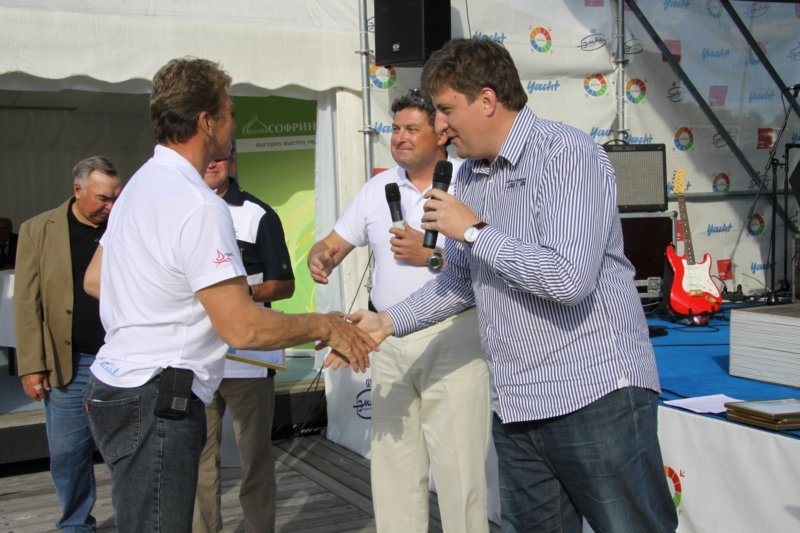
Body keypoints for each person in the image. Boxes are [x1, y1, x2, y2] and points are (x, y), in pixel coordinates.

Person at [339, 38, 679, 533]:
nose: (440, 126)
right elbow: (461, 281)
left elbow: (568, 278)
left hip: (594, 395)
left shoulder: (566, 155)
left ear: (487, 99)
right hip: (517, 403)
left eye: (446, 109)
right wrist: (386, 322)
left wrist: (474, 232)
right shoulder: (470, 177)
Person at [81, 57, 376, 533]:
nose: (234, 122)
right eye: (230, 111)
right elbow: (242, 327)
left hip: (116, 385)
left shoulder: (140, 184)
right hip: (158, 396)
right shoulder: (198, 204)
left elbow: (96, 279)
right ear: (207, 121)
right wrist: (326, 324)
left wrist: (175, 296)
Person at [308, 89, 491, 532]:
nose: (400, 137)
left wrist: (429, 256)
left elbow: (491, 260)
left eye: (412, 128)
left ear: (441, 134)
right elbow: (333, 243)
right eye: (395, 129)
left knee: (460, 474)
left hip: (454, 338)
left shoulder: (472, 183)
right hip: (386, 341)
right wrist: (321, 256)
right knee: (394, 471)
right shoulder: (377, 188)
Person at [14, 156, 122, 532]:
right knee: (67, 454)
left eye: (116, 197)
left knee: (124, 451)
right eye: (103, 198)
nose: (111, 206)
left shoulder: (126, 225)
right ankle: (75, 525)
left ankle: (134, 519)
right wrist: (31, 364)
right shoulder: (37, 230)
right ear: (77, 190)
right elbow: (27, 303)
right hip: (69, 362)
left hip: (122, 360)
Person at [194, 150, 295, 533]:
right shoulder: (183, 209)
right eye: (206, 157)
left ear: (232, 162)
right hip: (197, 358)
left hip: (248, 360)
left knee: (254, 460)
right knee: (199, 461)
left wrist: (240, 294)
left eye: (220, 157)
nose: (212, 163)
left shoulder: (258, 214)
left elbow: (284, 284)